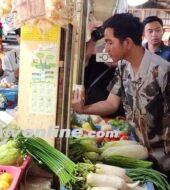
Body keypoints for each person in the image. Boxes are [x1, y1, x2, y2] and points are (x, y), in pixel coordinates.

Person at [72, 13, 170, 175]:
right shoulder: (123, 66)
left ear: (127, 43)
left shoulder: (163, 71)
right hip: (139, 153)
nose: (106, 48)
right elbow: (111, 104)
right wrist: (82, 109)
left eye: (110, 42)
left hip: (165, 160)